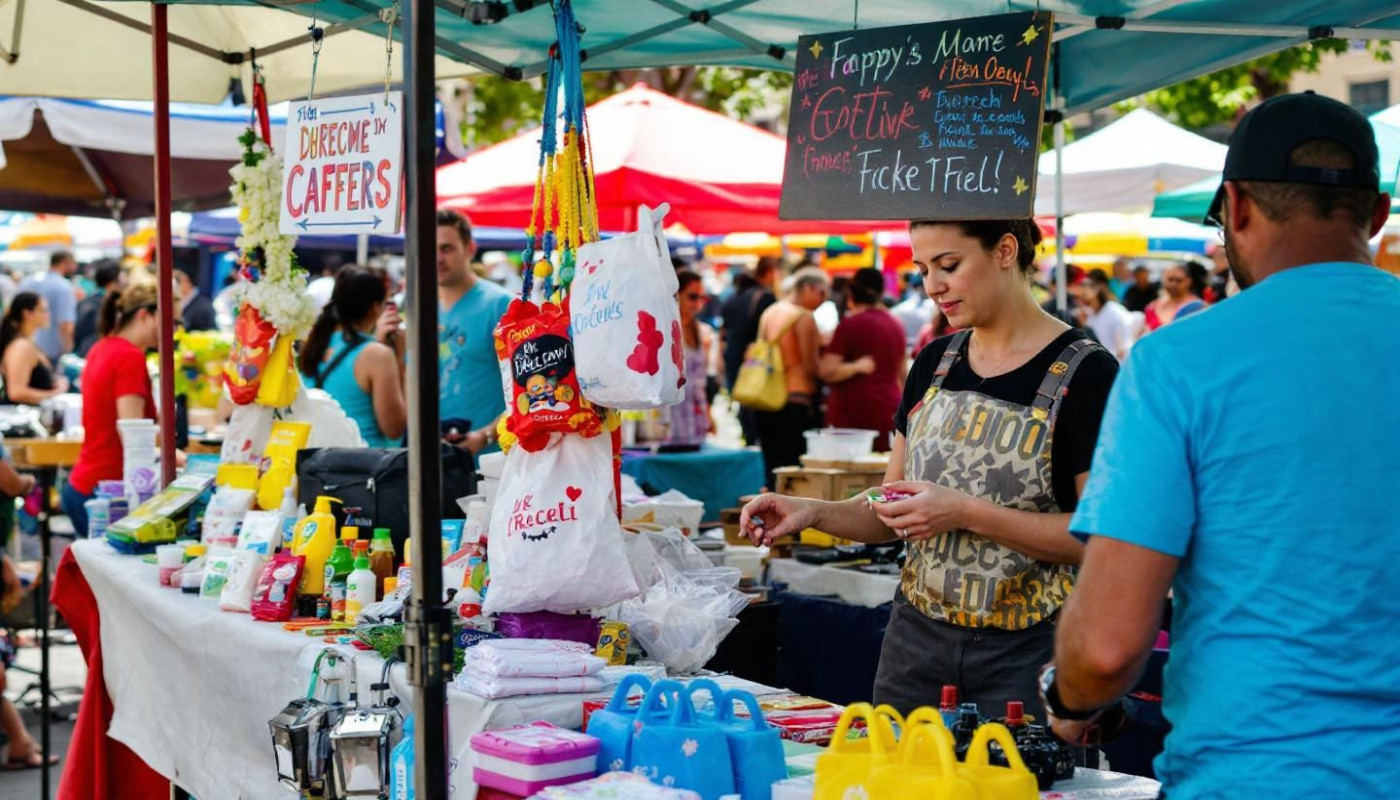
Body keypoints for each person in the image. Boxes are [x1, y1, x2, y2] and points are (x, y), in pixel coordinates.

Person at [1047, 92, 1400, 798]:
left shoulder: (1179, 364)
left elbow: (1109, 646)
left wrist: (1066, 704)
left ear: (1235, 208)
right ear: (1378, 215)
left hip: (1260, 773)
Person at [741, 219, 1117, 714]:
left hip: (1030, 654)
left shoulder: (1087, 373)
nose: (932, 285)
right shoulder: (934, 362)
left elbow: (1102, 540)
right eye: (922, 269)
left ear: (1005, 250)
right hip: (915, 646)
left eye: (949, 265)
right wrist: (812, 511)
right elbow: (888, 508)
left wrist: (965, 512)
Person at [61, 283, 161, 536]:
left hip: (86, 482)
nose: (172, 330)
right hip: (108, 491)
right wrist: (175, 455)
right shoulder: (130, 357)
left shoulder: (102, 347)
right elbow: (132, 434)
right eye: (169, 321)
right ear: (144, 315)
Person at [298, 267, 406, 449]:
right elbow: (394, 428)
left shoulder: (314, 343)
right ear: (375, 308)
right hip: (364, 465)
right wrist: (401, 358)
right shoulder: (377, 355)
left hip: (319, 463)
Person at [438, 209, 513, 455]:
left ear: (470, 249)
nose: (437, 258)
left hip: (491, 461)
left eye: (446, 248)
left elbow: (530, 387)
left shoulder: (501, 305)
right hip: (432, 461)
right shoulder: (418, 306)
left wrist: (486, 434)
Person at [751, 267, 828, 488]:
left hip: (766, 397)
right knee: (794, 474)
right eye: (822, 293)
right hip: (795, 400)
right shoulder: (803, 317)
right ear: (808, 288)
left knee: (772, 470)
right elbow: (811, 365)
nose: (824, 300)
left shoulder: (771, 312)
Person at [820, 267, 906, 452]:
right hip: (889, 412)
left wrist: (856, 367)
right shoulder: (895, 324)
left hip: (853, 419)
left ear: (851, 293)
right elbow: (902, 374)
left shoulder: (850, 325)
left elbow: (827, 371)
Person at [719, 257, 779, 445]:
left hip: (735, 359)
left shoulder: (734, 297)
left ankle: (749, 440)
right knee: (756, 412)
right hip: (756, 365)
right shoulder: (766, 298)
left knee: (746, 408)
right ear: (769, 273)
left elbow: (723, 332)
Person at [667, 270, 716, 447]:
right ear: (677, 295)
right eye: (692, 297)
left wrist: (708, 415)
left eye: (702, 298)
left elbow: (701, 381)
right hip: (670, 418)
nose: (698, 304)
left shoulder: (704, 333)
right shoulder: (665, 330)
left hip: (695, 417)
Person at [0, 293, 68, 405]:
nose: (48, 314)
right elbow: (16, 392)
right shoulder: (21, 346)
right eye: (43, 310)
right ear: (27, 314)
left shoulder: (28, 343)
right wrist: (54, 394)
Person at [18, 250, 78, 362]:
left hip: (24, 349)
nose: (75, 267)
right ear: (64, 263)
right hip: (51, 353)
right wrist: (68, 351)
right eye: (73, 263)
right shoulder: (64, 287)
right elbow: (65, 325)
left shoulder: (28, 281)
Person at [1073, 272, 1138, 362]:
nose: (1083, 289)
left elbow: (1124, 350)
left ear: (1100, 287)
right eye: (1082, 285)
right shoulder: (1088, 314)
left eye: (1089, 285)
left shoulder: (1115, 311)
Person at [74, 261, 120, 357]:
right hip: (102, 355)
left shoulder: (83, 303)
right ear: (111, 284)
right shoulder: (112, 307)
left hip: (83, 354)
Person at [1142, 263, 1205, 332]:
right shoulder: (1152, 307)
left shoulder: (1198, 307)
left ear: (1188, 281)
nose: (1173, 284)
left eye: (1178, 280)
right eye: (1170, 279)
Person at [175, 266, 216, 332]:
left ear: (188, 281)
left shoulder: (203, 306)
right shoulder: (179, 303)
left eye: (177, 280)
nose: (174, 284)